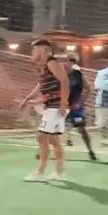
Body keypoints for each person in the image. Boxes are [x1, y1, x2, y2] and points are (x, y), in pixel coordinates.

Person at [19, 39, 69, 182]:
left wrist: (63, 103)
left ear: (43, 50)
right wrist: (27, 99)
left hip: (56, 106)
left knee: (42, 137)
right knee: (53, 140)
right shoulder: (42, 67)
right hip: (50, 106)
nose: (32, 53)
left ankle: (39, 172)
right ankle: (59, 171)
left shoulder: (51, 63)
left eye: (34, 50)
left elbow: (64, 81)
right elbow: (40, 86)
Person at [60, 55, 97, 161]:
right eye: (67, 60)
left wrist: (80, 102)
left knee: (82, 129)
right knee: (53, 129)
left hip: (75, 108)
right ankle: (45, 151)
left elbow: (89, 89)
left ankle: (90, 150)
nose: (68, 63)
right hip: (62, 106)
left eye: (71, 61)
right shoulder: (59, 74)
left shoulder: (78, 75)